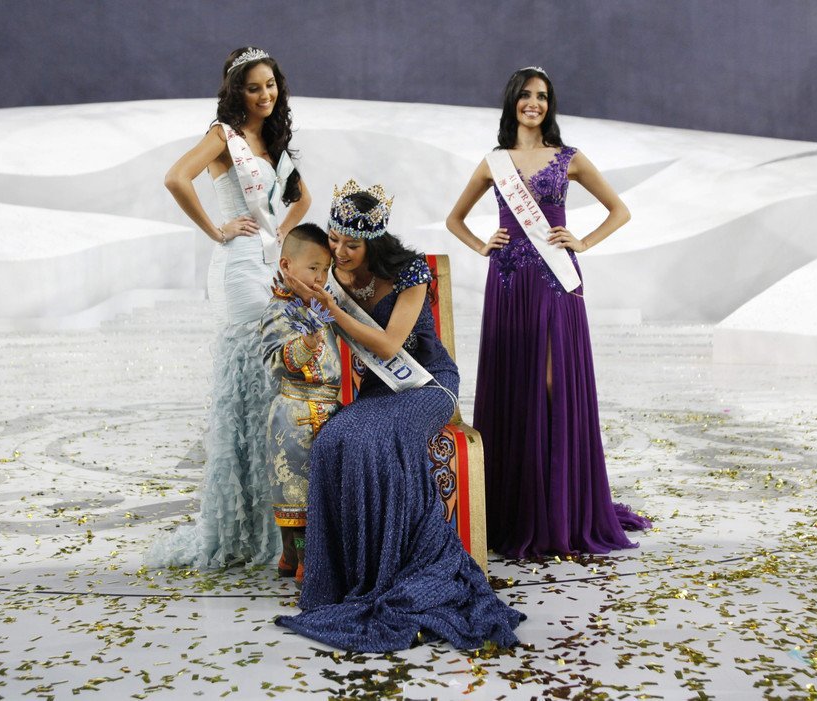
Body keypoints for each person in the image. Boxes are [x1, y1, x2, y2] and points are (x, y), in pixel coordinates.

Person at [276, 180, 523, 652]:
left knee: (376, 439)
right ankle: (344, 577)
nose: (339, 252)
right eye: (334, 239)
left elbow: (390, 346)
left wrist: (331, 308)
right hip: (377, 391)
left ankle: (396, 567)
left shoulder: (411, 271)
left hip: (425, 385)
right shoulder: (330, 272)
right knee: (333, 439)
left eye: (352, 245)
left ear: (374, 242)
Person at [445, 66, 651, 558]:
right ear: (512, 102)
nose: (533, 103)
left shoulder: (569, 157)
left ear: (549, 104)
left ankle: (561, 506)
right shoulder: (494, 162)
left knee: (555, 383)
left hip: (557, 281)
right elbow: (455, 219)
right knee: (516, 383)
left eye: (541, 96)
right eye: (525, 95)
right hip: (509, 282)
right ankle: (517, 507)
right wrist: (482, 245)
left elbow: (619, 211)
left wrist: (584, 241)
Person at [147, 46, 310, 569]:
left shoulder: (274, 139)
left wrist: (281, 235)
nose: (265, 95)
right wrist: (216, 229)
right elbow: (176, 178)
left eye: (270, 85)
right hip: (238, 269)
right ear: (236, 91)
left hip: (268, 263)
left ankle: (278, 524)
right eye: (254, 87)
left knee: (273, 390)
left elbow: (302, 199)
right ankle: (244, 528)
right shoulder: (224, 136)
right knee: (251, 385)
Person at [259, 224, 342, 585]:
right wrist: (306, 344)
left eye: (325, 269)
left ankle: (291, 558)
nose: (320, 277)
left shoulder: (317, 303)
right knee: (295, 493)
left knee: (311, 491)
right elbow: (275, 359)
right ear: (286, 265)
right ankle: (305, 563)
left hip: (324, 409)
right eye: (313, 268)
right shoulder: (278, 310)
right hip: (294, 412)